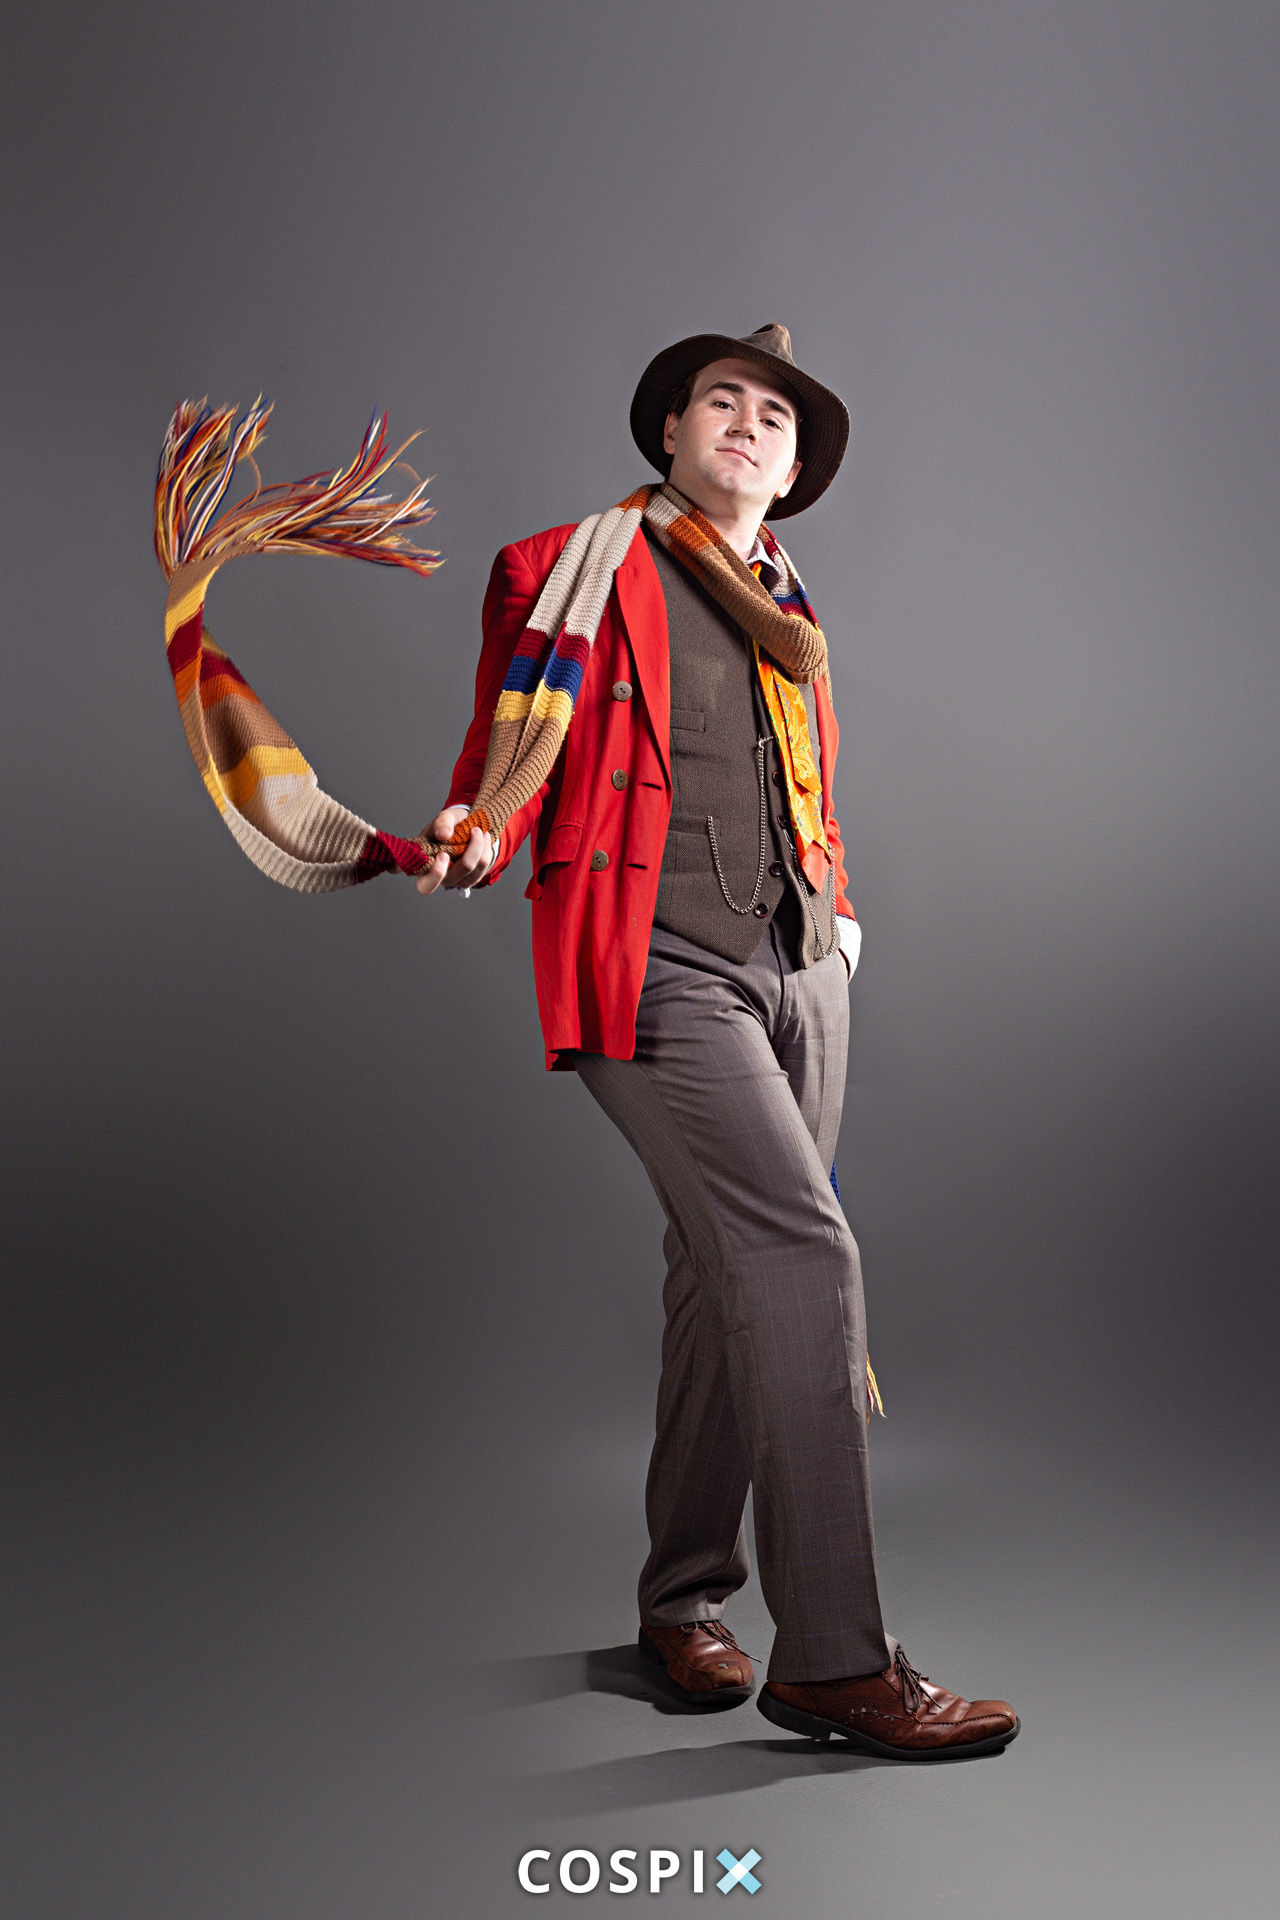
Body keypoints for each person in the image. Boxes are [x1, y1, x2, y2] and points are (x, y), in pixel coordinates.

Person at [416, 325, 1018, 1760]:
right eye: (723, 402)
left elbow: (805, 788)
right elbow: (516, 744)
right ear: (673, 434)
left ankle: (681, 1604)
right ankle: (835, 1663)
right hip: (653, 962)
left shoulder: (790, 605)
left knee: (722, 1269)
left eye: (775, 418)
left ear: (792, 471)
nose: (749, 424)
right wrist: (479, 827)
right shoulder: (565, 567)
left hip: (803, 968)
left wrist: (839, 916)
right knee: (803, 1256)